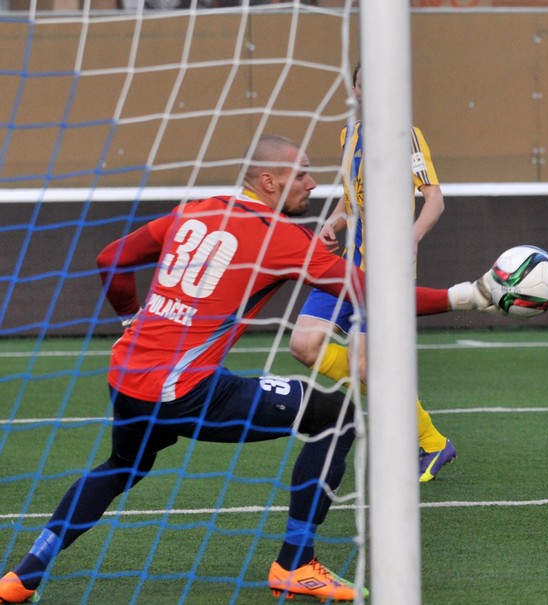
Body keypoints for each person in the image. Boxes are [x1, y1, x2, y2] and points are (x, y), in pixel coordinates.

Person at [0, 135, 495, 604]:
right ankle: (295, 564)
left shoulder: (195, 209)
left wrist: (131, 319)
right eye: (301, 175)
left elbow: (111, 259)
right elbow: (375, 294)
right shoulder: (280, 237)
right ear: (268, 181)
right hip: (185, 390)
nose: (312, 184)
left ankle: (22, 578)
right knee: (337, 417)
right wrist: (468, 296)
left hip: (127, 378)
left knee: (120, 468)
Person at [289, 64, 456, 483]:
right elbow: (350, 202)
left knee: (364, 365)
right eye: (364, 84)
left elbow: (434, 199)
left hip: (387, 273)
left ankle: (432, 442)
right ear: (356, 90)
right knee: (304, 345)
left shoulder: (408, 136)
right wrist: (332, 223)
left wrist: (412, 236)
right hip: (348, 266)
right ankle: (395, 404)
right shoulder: (348, 136)